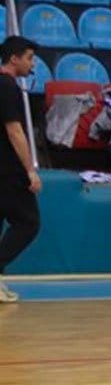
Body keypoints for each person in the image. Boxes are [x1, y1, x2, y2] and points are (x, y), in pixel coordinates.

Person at [0, 35, 40, 303]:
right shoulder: (8, 87)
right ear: (14, 59)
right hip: (8, 171)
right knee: (29, 223)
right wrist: (30, 170)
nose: (32, 64)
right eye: (29, 58)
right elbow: (15, 131)